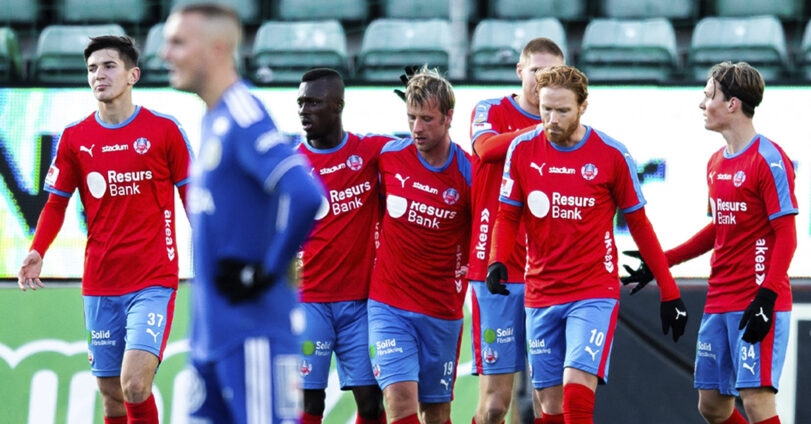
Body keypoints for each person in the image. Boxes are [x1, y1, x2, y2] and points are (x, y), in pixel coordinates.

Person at [487, 65, 688, 424]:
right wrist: (497, 260)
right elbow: (507, 215)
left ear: (583, 107)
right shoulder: (521, 149)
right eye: (546, 109)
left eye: (562, 110)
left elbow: (640, 226)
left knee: (576, 389)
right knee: (549, 405)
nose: (552, 119)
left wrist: (669, 291)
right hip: (541, 291)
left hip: (592, 291)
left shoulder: (611, 154)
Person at [17, 35, 192, 424]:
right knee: (112, 398)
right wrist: (37, 249)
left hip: (153, 280)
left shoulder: (164, 130)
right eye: (92, 68)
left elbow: (192, 198)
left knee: (135, 385)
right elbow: (56, 204)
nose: (99, 74)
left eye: (109, 66)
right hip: (100, 282)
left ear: (133, 75)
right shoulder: (75, 137)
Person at [162, 4, 323, 423]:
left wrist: (265, 271)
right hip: (210, 338)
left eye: (178, 42)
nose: (165, 54)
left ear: (217, 49)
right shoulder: (212, 119)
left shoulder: (243, 114)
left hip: (253, 336)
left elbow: (306, 194)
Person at [624, 62, 797, 424]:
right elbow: (719, 227)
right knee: (712, 406)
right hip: (719, 299)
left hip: (756, 298)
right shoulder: (716, 162)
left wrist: (767, 297)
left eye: (708, 96)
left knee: (756, 402)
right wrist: (661, 261)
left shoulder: (769, 159)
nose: (701, 104)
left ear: (732, 104)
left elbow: (786, 234)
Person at [466, 37, 565, 424]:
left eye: (552, 72)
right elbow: (486, 148)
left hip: (547, 273)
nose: (543, 79)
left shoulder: (566, 127)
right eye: (536, 70)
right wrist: (544, 127)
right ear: (520, 70)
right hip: (495, 269)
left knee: (549, 400)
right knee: (495, 404)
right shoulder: (491, 109)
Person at [368, 66, 472, 424]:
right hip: (389, 305)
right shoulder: (388, 157)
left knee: (437, 414)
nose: (417, 128)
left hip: (442, 310)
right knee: (399, 400)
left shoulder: (469, 173)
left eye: (426, 119)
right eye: (411, 117)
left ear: (448, 117)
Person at [295, 68, 392, 424]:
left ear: (337, 105)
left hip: (361, 304)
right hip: (309, 302)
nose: (304, 110)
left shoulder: (371, 151)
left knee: (371, 403)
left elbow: (422, 152)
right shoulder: (291, 165)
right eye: (301, 102)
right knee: (309, 403)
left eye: (313, 102)